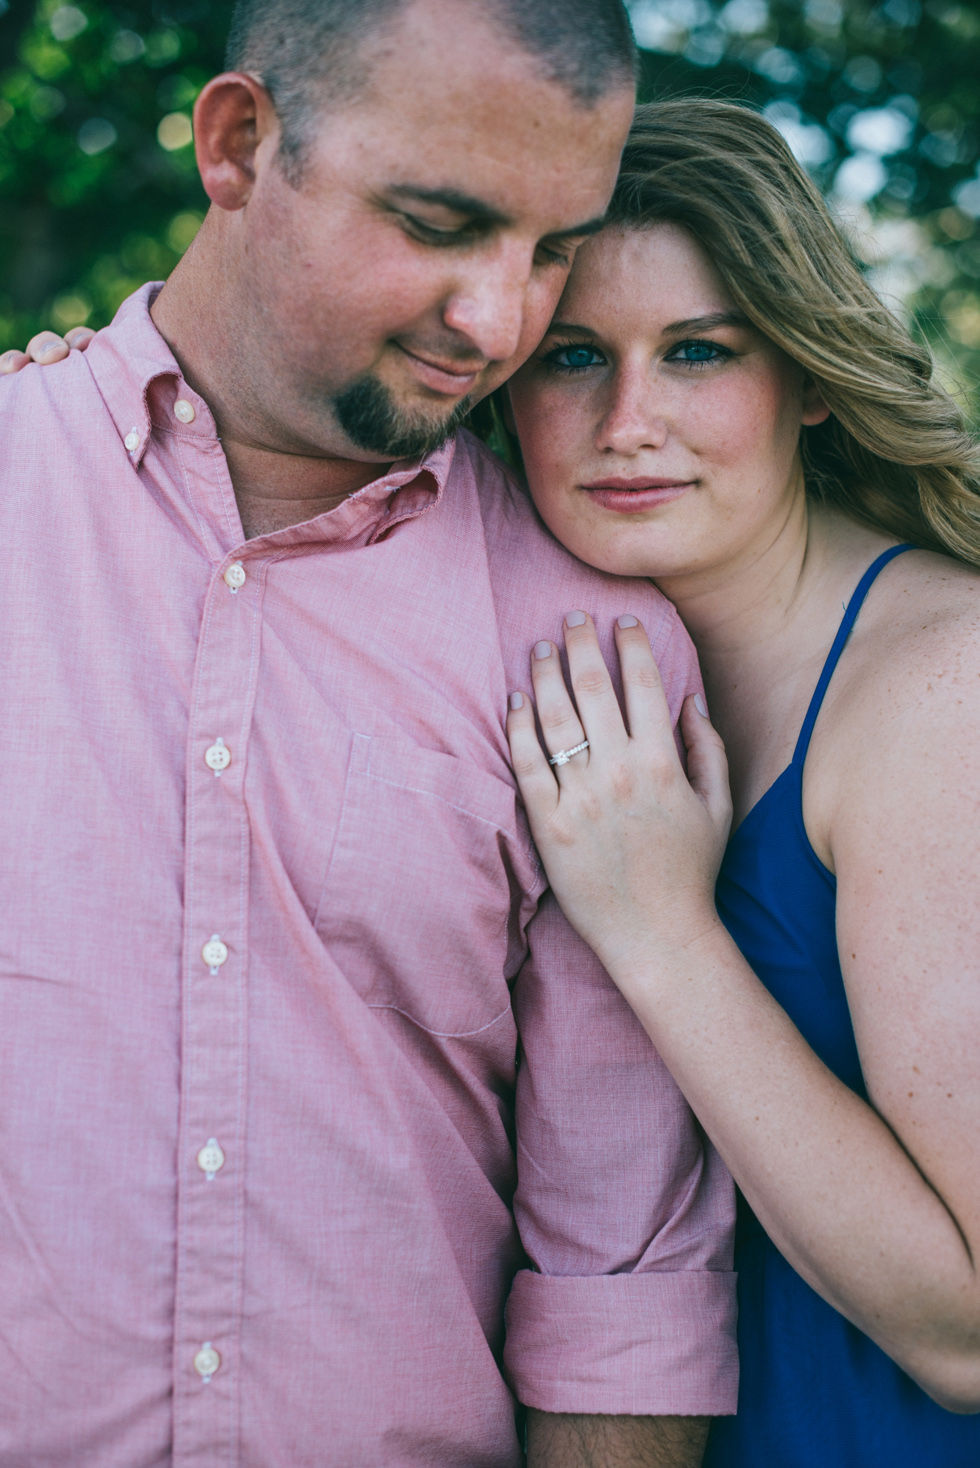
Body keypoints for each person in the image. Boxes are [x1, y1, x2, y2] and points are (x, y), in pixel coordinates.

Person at [0, 7, 739, 1467]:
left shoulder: (591, 646)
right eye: (439, 223)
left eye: (548, 252)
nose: (495, 321)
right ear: (239, 145)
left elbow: (622, 1280)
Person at [500, 100, 980, 1465]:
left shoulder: (940, 693)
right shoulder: (557, 638)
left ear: (811, 375)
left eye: (699, 351)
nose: (626, 421)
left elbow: (970, 1333)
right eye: (572, 355)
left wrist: (659, 928)